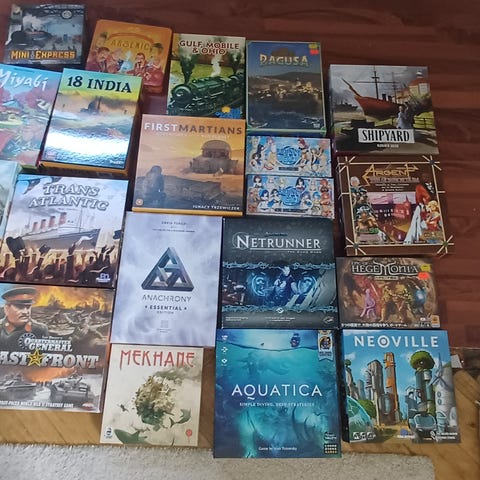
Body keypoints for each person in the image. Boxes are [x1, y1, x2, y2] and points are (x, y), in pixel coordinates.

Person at [0, 287, 49, 351]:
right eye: (20, 307)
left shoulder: (40, 329)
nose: (25, 312)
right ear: (7, 308)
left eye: (28, 307)